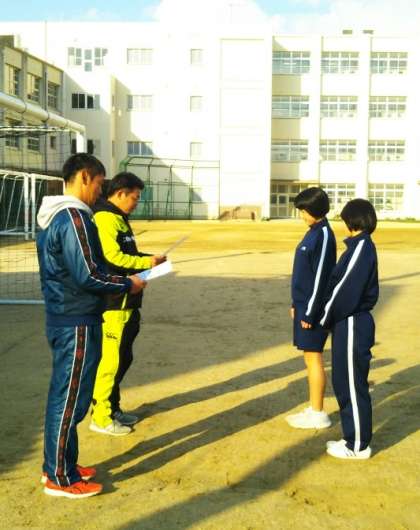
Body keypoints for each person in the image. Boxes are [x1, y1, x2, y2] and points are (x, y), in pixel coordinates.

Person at [36, 154, 145, 498]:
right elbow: (89, 274)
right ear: (85, 177)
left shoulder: (58, 216)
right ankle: (60, 477)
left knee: (66, 396)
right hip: (76, 321)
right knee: (70, 400)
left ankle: (60, 464)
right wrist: (127, 283)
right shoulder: (73, 217)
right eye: (99, 183)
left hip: (68, 316)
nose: (101, 191)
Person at [90, 172, 166, 435]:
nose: (136, 203)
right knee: (110, 362)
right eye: (134, 197)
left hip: (129, 300)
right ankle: (101, 416)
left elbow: (127, 254)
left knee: (124, 357)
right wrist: (145, 263)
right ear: (120, 193)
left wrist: (151, 259)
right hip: (114, 302)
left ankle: (112, 408)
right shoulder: (104, 217)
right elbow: (112, 257)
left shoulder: (119, 218)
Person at [321, 199, 379, 459]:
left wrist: (323, 318)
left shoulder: (361, 247)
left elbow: (344, 290)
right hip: (347, 322)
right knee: (344, 381)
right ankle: (350, 438)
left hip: (353, 322)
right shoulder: (359, 246)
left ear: (352, 220)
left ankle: (357, 445)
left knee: (352, 384)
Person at [286, 187, 336, 429]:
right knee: (309, 357)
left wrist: (310, 311)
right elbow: (303, 274)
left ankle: (318, 414)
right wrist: (295, 303)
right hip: (304, 306)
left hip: (313, 310)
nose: (301, 215)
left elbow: (321, 278)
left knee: (314, 357)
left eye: (304, 211)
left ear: (314, 210)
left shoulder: (324, 234)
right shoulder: (313, 231)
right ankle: (313, 407)